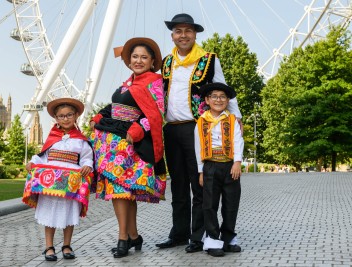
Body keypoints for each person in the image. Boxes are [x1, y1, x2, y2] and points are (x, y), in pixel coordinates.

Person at [155, 13, 242, 253]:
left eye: (188, 31)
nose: (183, 35)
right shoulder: (166, 62)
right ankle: (179, 233)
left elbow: (225, 90)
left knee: (200, 185)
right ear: (172, 36)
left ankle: (199, 235)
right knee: (179, 186)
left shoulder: (209, 60)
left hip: (197, 128)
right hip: (171, 128)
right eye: (178, 31)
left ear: (195, 34)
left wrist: (238, 120)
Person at [89, 37, 166, 258]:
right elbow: (116, 108)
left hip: (131, 146)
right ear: (129, 60)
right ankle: (133, 236)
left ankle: (123, 238)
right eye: (134, 56)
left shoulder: (154, 83)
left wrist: (137, 131)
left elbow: (155, 114)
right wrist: (100, 115)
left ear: (152, 61)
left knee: (121, 192)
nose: (138, 60)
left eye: (143, 57)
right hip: (113, 145)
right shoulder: (128, 83)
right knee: (125, 193)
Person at [22, 98, 94, 261]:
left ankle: (67, 245)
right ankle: (49, 246)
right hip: (51, 184)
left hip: (70, 184)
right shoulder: (52, 138)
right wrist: (33, 162)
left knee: (69, 213)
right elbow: (42, 156)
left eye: (69, 115)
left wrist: (87, 165)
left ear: (76, 115)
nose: (65, 118)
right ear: (55, 118)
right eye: (61, 116)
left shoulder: (81, 140)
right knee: (50, 214)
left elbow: (87, 157)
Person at [194, 82, 244, 257]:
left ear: (228, 100)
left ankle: (229, 238)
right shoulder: (201, 122)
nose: (218, 99)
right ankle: (213, 240)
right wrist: (201, 171)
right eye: (214, 96)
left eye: (222, 96)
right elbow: (198, 146)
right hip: (210, 166)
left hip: (230, 166)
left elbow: (238, 141)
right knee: (209, 205)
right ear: (207, 100)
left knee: (231, 204)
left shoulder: (232, 120)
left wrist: (237, 162)